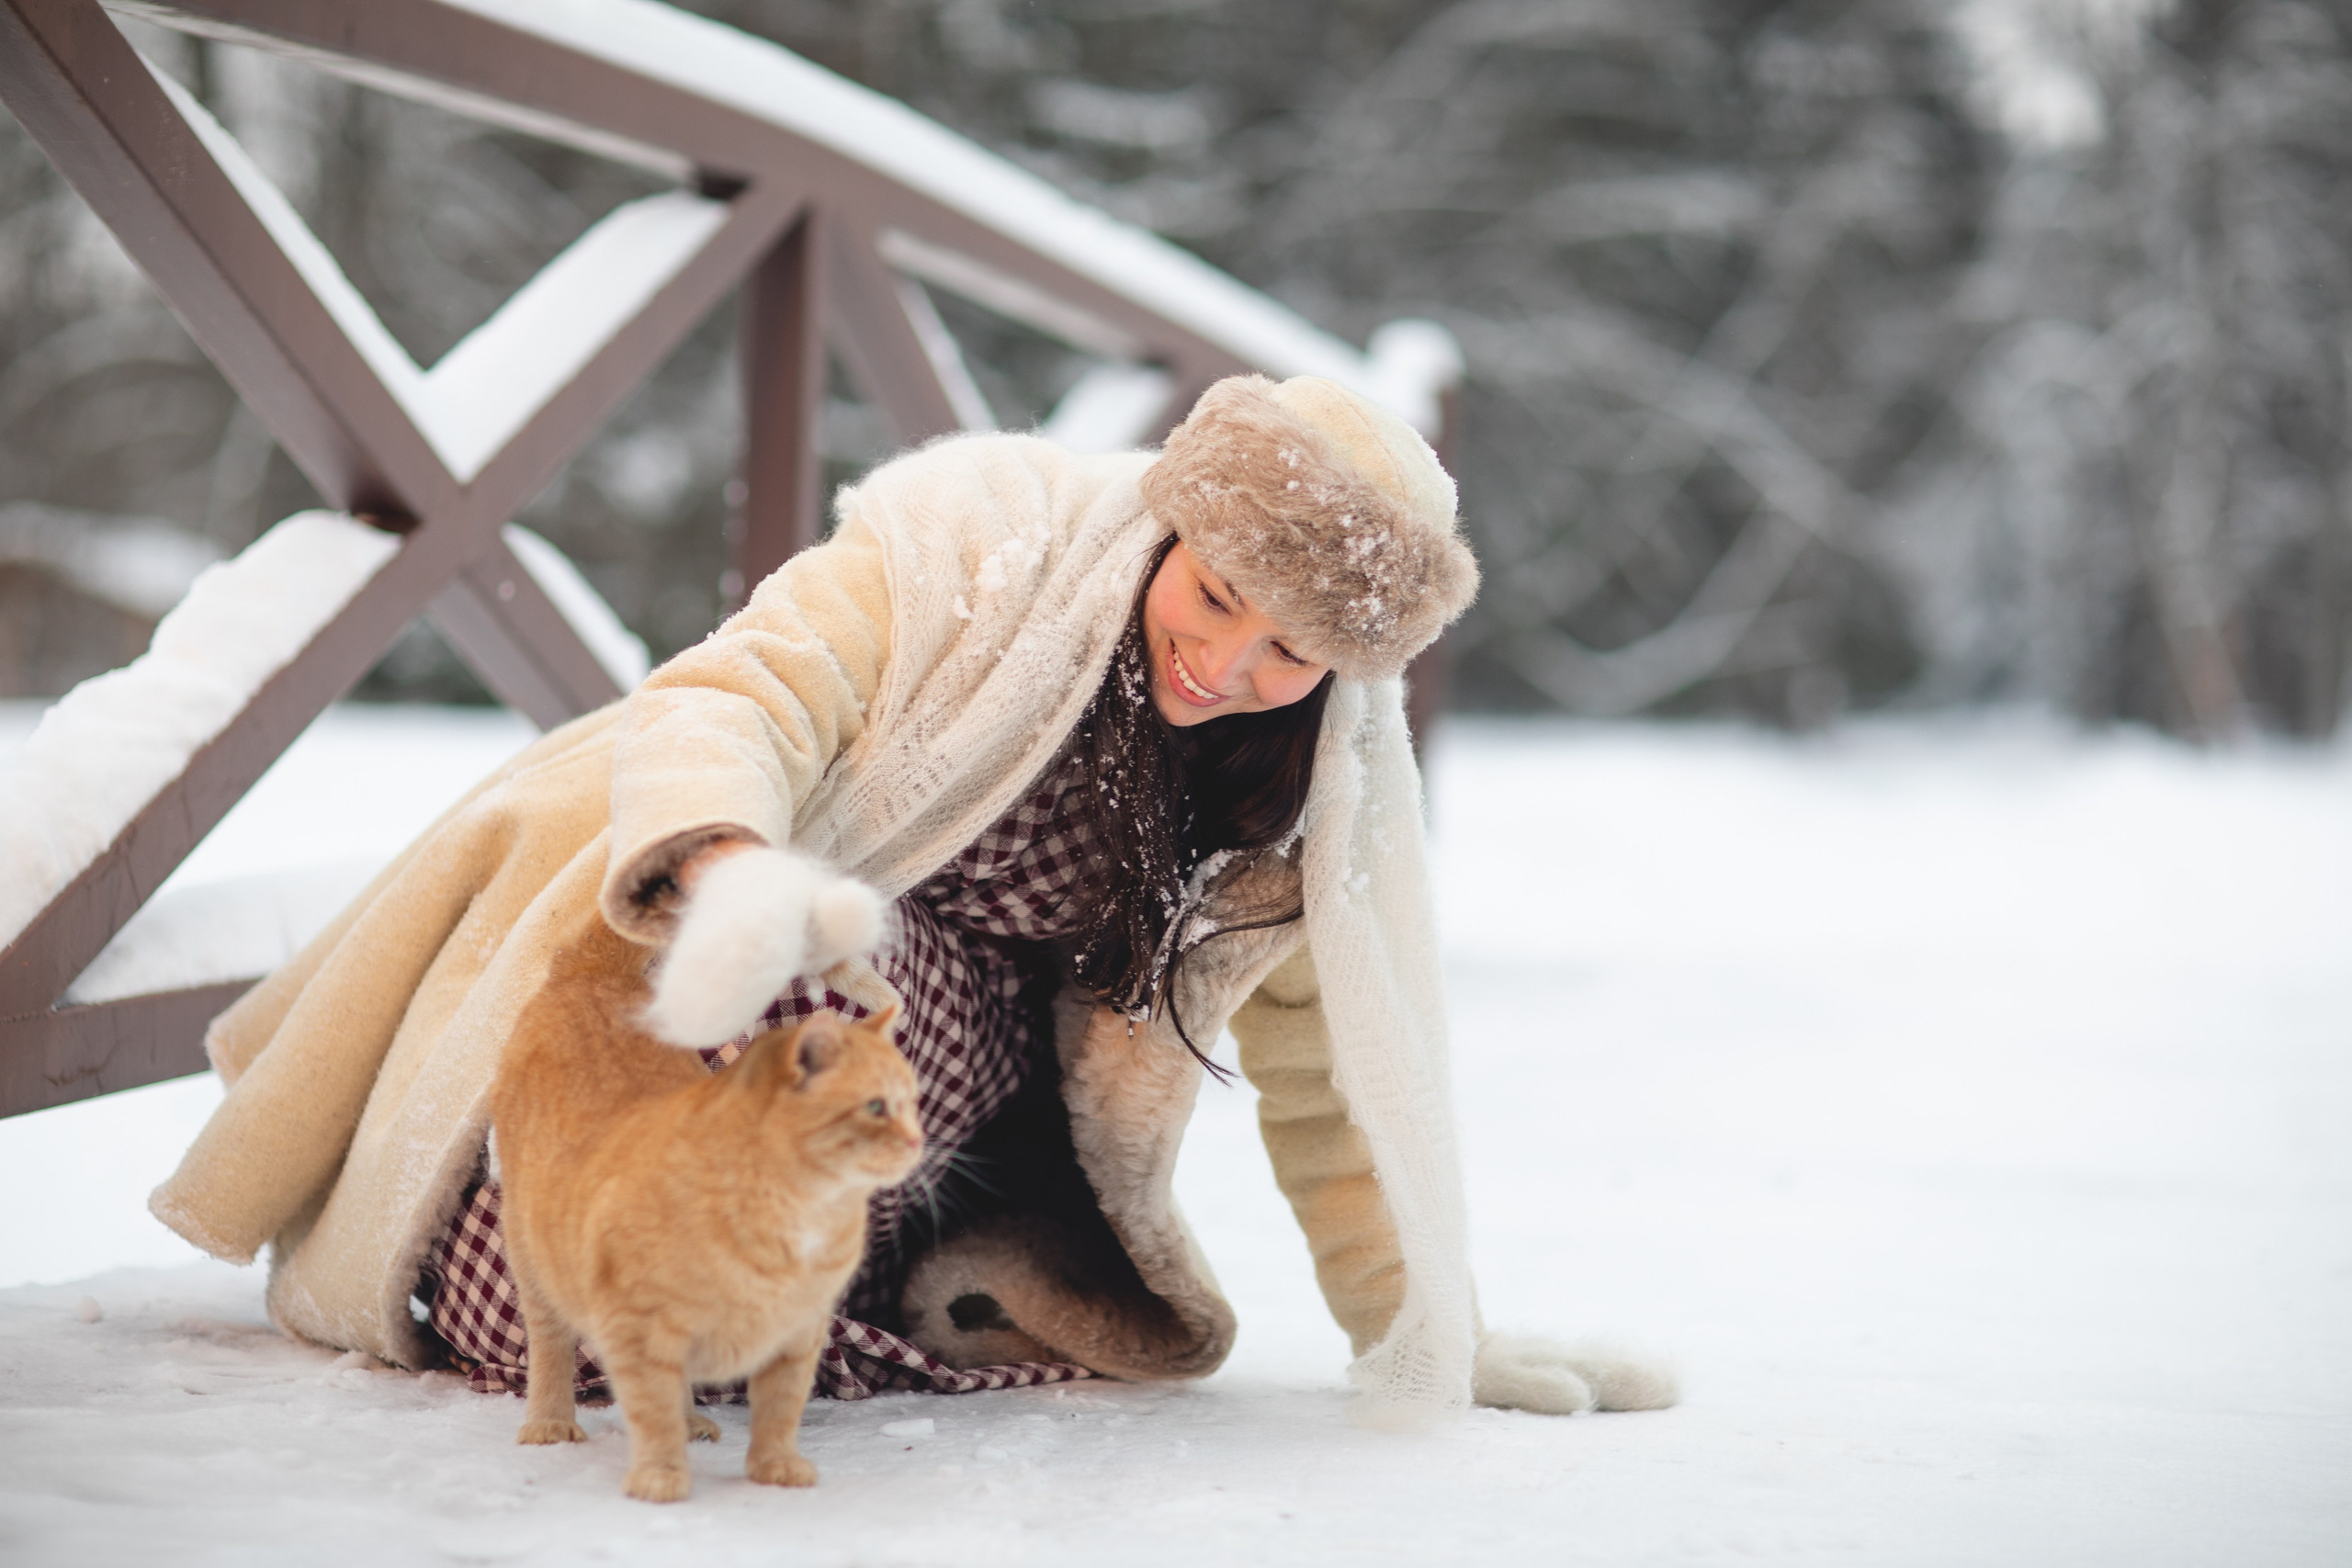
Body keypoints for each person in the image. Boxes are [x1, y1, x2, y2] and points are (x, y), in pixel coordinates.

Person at [149, 374, 1674, 1423]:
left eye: (1290, 651)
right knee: (532, 1304)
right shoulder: (973, 539)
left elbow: (1339, 1085)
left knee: (805, 1057)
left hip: (930, 1104)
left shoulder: (1292, 799)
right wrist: (731, 863)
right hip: (700, 940)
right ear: (1176, 524)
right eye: (1215, 596)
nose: (1230, 663)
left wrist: (1426, 1328)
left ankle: (803, 1296)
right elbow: (742, 690)